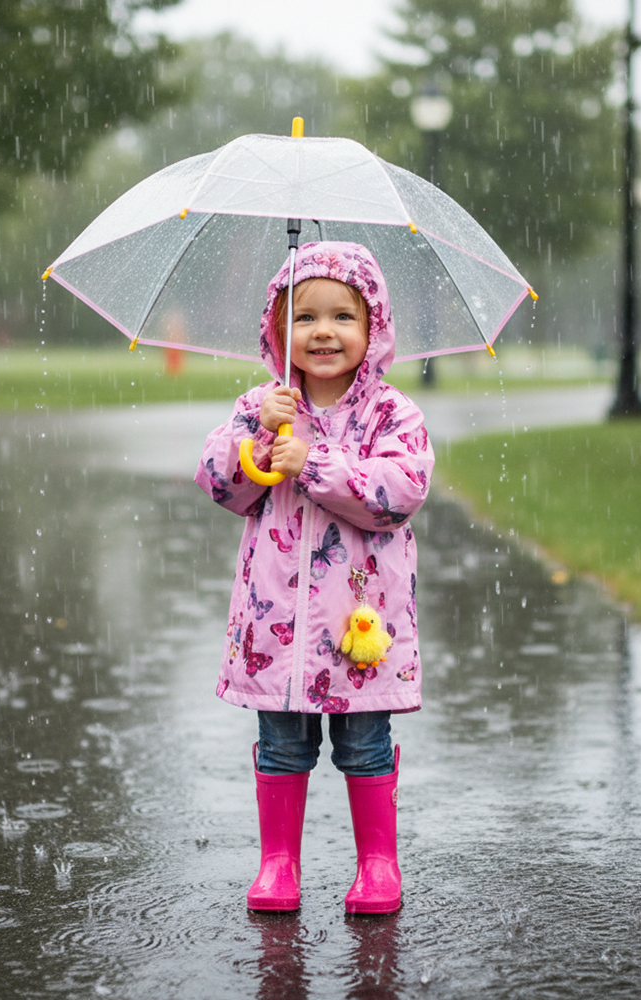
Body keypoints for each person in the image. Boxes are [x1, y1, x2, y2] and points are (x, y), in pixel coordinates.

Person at [195, 241, 434, 915]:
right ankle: (278, 865)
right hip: (276, 620)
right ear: (278, 331)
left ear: (373, 327)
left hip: (359, 624)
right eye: (305, 317)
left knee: (364, 746)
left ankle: (377, 866)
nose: (323, 332)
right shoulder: (262, 404)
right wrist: (256, 447)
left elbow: (399, 491)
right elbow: (220, 485)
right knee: (281, 747)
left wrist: (315, 461)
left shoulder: (391, 415)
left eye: (342, 317)